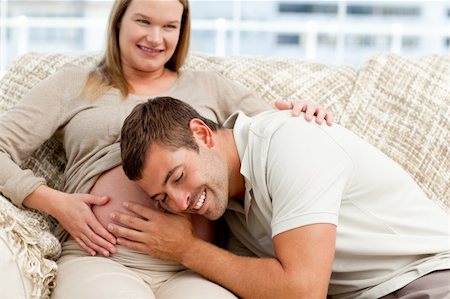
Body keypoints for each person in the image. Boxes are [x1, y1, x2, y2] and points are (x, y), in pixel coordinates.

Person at [0, 0, 334, 298]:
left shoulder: (209, 86)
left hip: (193, 267)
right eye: (143, 21)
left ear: (181, 30)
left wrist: (302, 114)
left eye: (169, 26)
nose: (155, 39)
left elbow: (270, 133)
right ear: (119, 21)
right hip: (102, 257)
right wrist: (55, 203)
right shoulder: (75, 83)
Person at [116, 96, 450, 299]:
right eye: (162, 198)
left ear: (202, 134)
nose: (179, 203)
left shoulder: (290, 143)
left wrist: (188, 249)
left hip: (426, 276)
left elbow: (301, 293)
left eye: (178, 177)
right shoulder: (226, 204)